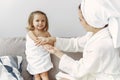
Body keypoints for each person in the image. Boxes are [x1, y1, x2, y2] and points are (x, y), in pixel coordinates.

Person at [36, 0, 120, 80]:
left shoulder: (102, 44)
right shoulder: (96, 33)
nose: (79, 22)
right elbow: (76, 43)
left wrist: (56, 52)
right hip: (93, 74)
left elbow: (79, 70)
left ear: (91, 21)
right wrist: (53, 40)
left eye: (80, 19)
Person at [25, 10, 53, 80]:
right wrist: (44, 43)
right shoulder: (31, 32)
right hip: (34, 57)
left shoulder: (47, 33)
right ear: (32, 22)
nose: (40, 23)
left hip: (43, 56)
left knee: (44, 74)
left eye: (43, 21)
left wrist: (49, 43)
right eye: (37, 21)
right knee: (36, 75)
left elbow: (52, 42)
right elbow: (36, 40)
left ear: (46, 22)